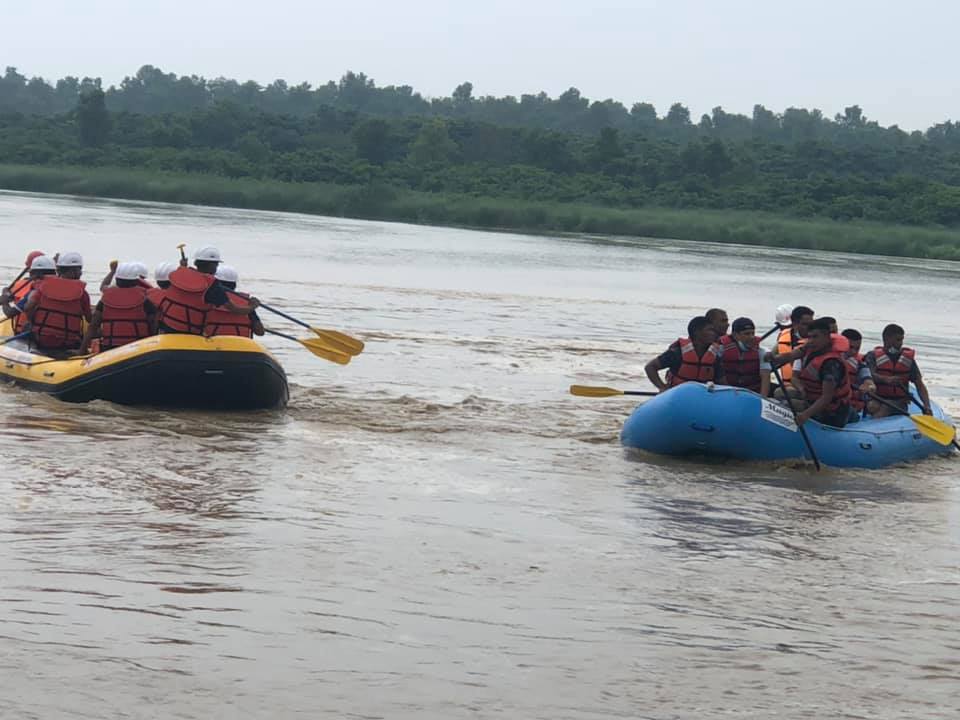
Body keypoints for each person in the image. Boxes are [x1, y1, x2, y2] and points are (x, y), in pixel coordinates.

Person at [157, 246, 260, 335]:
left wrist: (183, 267)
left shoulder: (179, 274)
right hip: (190, 333)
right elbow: (234, 309)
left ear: (196, 262)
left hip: (167, 328)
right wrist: (252, 306)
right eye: (216, 264)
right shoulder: (212, 285)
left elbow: (185, 276)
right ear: (213, 266)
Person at [78, 263, 158, 354]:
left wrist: (82, 349)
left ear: (116, 279)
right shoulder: (145, 301)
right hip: (138, 349)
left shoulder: (105, 300)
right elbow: (153, 325)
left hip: (109, 348)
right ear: (136, 281)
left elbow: (93, 326)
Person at [21, 252, 92, 352]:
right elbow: (90, 319)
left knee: (26, 327)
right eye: (80, 270)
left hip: (40, 339)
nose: (80, 273)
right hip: (68, 342)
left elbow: (28, 307)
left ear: (58, 270)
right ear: (75, 271)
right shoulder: (82, 294)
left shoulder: (43, 287)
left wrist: (31, 321)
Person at [789, 318, 852, 428]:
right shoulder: (807, 351)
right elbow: (792, 368)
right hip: (811, 398)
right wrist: (774, 358)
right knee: (780, 393)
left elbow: (827, 397)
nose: (812, 341)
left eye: (815, 337)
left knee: (786, 405)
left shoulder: (831, 363)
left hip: (832, 413)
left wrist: (805, 415)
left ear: (827, 338)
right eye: (810, 337)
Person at [864, 324, 932, 417]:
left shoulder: (907, 360)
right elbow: (869, 374)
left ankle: (875, 424)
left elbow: (919, 384)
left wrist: (927, 406)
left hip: (899, 401)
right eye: (898, 340)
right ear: (887, 339)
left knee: (885, 408)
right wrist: (886, 379)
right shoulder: (872, 356)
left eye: (902, 340)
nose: (900, 343)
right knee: (872, 406)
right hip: (878, 397)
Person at [645, 316, 726, 392]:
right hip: (677, 395)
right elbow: (650, 367)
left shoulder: (715, 357)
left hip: (701, 397)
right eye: (710, 330)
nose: (714, 334)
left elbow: (722, 382)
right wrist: (662, 387)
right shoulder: (677, 353)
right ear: (697, 333)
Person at [203, 265, 265, 338]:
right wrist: (253, 307)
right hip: (239, 343)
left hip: (211, 342)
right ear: (234, 285)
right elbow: (260, 332)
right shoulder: (247, 303)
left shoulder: (208, 297)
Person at [717, 317, 772, 396]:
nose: (751, 337)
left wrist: (762, 398)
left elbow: (765, 377)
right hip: (727, 392)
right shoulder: (721, 349)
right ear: (735, 335)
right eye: (747, 334)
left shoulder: (761, 352)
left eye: (753, 333)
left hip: (752, 393)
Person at [1, 255, 57, 332]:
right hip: (63, 334)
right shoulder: (67, 289)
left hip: (36, 334)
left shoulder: (34, 291)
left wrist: (4, 302)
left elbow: (10, 313)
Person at [840, 328, 876, 422]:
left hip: (850, 406)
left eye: (857, 348)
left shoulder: (860, 363)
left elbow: (868, 380)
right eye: (850, 347)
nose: (854, 352)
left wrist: (869, 386)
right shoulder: (829, 359)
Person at [773, 305, 814, 382]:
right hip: (788, 383)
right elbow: (771, 359)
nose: (810, 328)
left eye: (811, 324)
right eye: (805, 324)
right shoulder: (784, 337)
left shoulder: (816, 340)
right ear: (795, 323)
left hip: (806, 384)